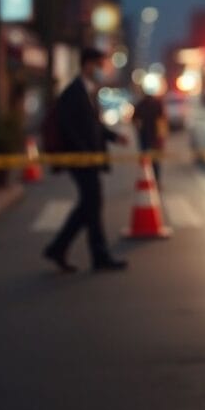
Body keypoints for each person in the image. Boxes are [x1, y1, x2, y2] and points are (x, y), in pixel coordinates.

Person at [42, 48, 129, 273]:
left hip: (88, 157)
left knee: (90, 205)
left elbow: (93, 126)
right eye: (100, 64)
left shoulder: (88, 91)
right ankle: (97, 255)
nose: (103, 69)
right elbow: (67, 126)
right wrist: (83, 152)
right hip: (81, 159)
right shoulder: (74, 91)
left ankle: (59, 248)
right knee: (92, 203)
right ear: (88, 65)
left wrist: (114, 136)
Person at [132, 88, 168, 182]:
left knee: (146, 161)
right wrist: (161, 136)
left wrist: (139, 129)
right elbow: (162, 120)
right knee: (154, 162)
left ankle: (148, 180)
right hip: (154, 137)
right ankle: (155, 180)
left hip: (144, 136)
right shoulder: (156, 104)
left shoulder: (140, 105)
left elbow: (134, 120)